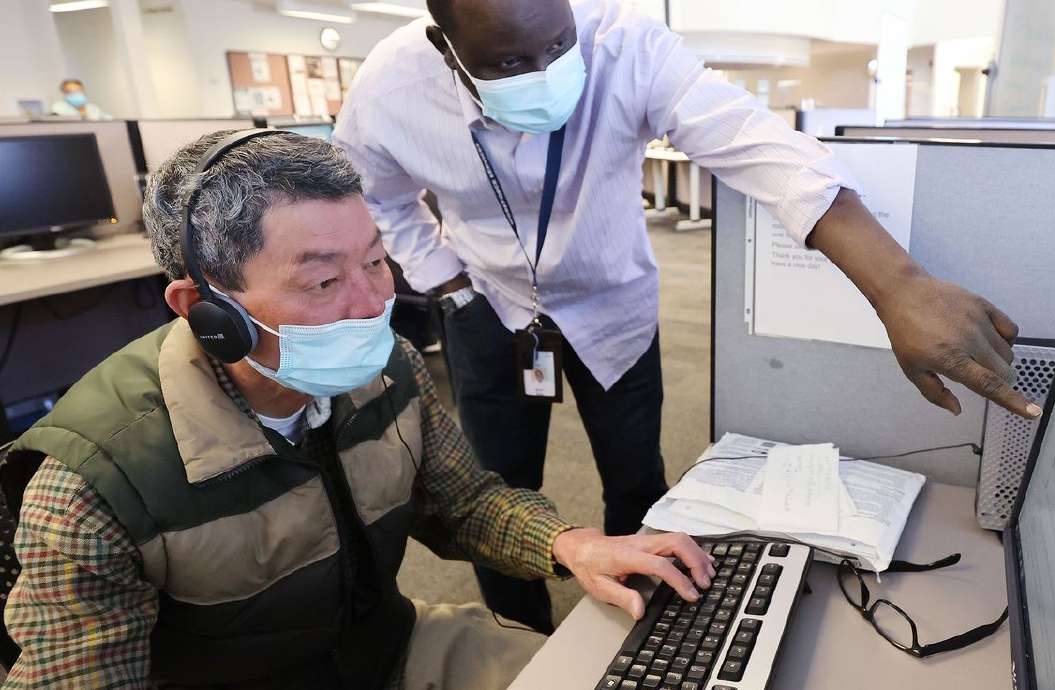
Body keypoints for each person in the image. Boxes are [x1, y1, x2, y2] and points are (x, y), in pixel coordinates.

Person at [334, 0, 1041, 634]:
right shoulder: (391, 90)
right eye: (511, 62)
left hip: (615, 309)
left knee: (637, 482)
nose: (546, 70)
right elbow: (378, 197)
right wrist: (446, 281)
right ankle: (520, 635)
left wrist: (898, 283)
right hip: (488, 309)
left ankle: (641, 627)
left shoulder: (627, 46)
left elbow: (758, 147)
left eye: (557, 44)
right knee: (499, 487)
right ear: (444, 43)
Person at [0, 130, 716, 690]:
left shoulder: (390, 370)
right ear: (205, 312)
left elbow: (463, 504)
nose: (374, 303)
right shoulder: (93, 488)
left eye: (375, 262)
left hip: (389, 651)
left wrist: (571, 544)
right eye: (322, 280)